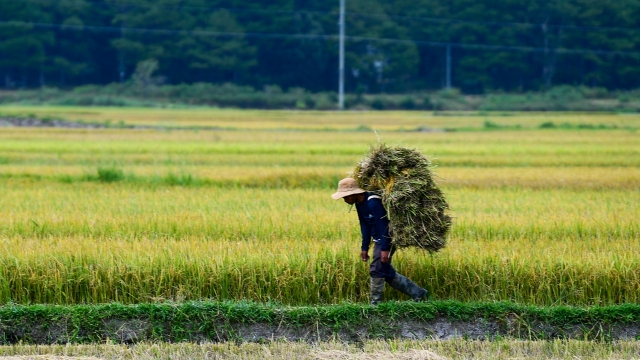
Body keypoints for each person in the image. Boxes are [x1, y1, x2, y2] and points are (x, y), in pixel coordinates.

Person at [332, 177, 428, 305]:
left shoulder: (373, 202)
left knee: (376, 269)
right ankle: (419, 294)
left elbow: (384, 226)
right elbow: (365, 225)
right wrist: (364, 248)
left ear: (354, 193)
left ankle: (375, 305)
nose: (344, 200)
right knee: (386, 272)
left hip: (388, 238)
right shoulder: (359, 204)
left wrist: (385, 248)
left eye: (345, 197)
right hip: (379, 239)